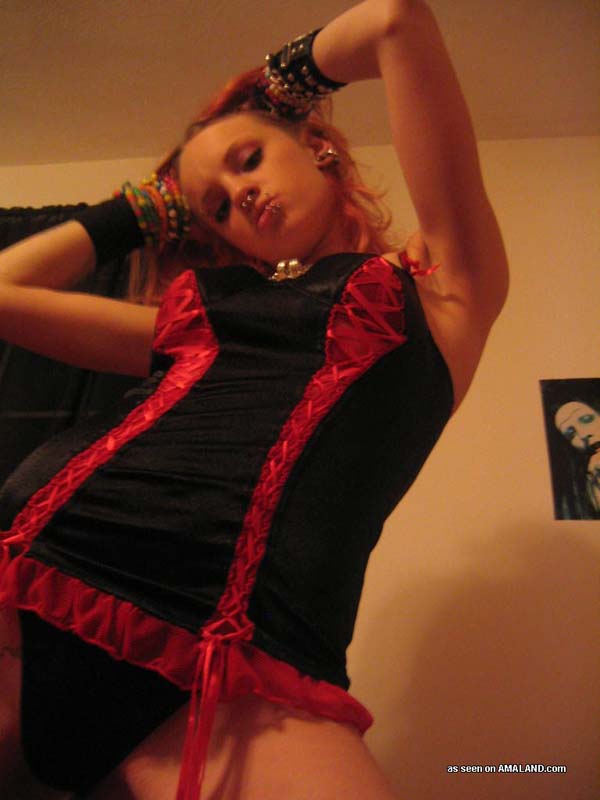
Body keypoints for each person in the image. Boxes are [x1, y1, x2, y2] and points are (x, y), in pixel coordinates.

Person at [0, 2, 509, 798]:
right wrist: (143, 207)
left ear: (317, 145)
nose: (241, 195)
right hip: (25, 590)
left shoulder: (444, 291)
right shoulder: (197, 319)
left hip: (233, 662)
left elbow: (395, 21)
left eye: (249, 160)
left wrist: (276, 89)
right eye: (215, 206)